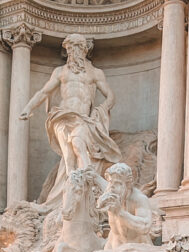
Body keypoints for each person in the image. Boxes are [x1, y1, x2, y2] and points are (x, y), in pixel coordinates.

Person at [20, 34, 121, 208]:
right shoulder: (60, 72)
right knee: (68, 157)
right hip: (61, 116)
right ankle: (69, 194)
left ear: (84, 50)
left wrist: (102, 109)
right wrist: (28, 108)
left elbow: (110, 95)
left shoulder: (95, 73)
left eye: (77, 48)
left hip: (82, 118)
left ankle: (90, 188)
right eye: (70, 49)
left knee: (78, 144)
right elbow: (44, 92)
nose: (73, 53)